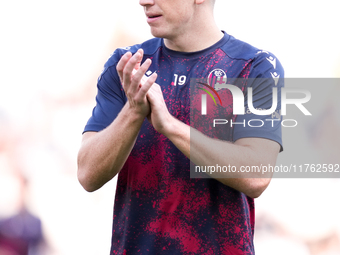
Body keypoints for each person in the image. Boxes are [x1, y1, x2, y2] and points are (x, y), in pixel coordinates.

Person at [77, 0, 284, 254]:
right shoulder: (128, 65)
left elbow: (257, 174)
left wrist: (171, 127)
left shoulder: (253, 67)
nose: (144, 1)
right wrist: (133, 112)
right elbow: (87, 174)